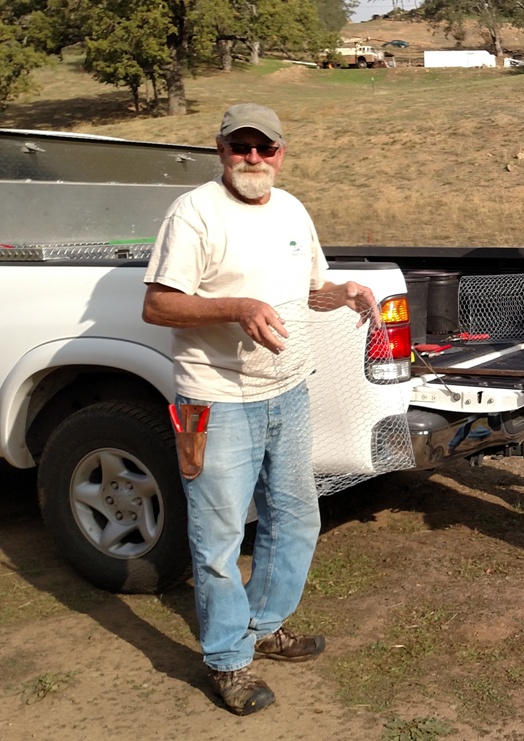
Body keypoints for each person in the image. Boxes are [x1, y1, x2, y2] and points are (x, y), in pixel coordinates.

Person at [142, 103, 378, 715]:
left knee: (296, 518)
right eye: (241, 146)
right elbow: (160, 306)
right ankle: (227, 660)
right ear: (220, 149)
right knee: (217, 537)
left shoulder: (293, 210)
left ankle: (264, 623)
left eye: (264, 148)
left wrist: (344, 293)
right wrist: (235, 307)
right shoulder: (194, 212)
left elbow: (311, 291)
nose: (253, 158)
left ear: (280, 153)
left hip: (288, 391)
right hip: (214, 399)